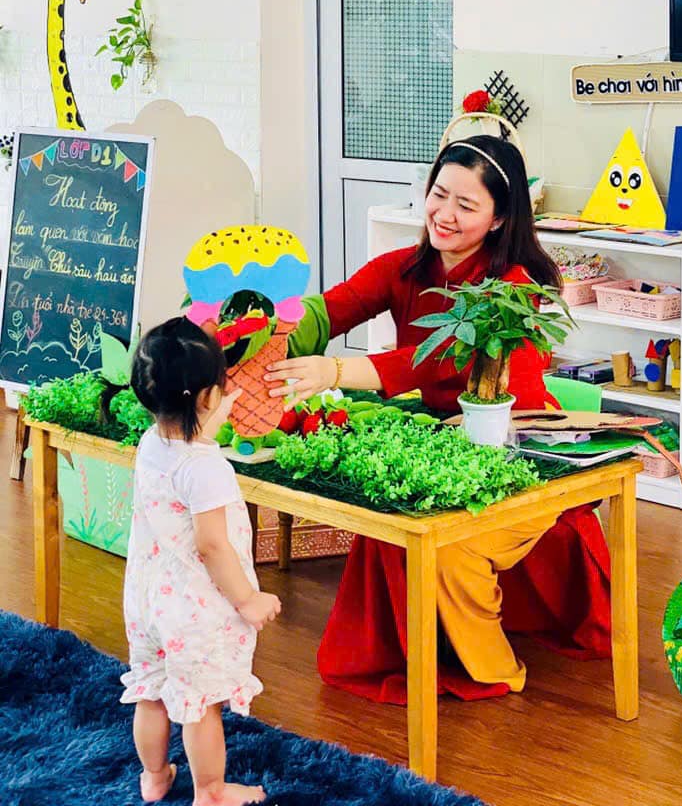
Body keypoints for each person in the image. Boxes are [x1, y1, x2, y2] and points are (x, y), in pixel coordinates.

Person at [267, 135, 611, 702]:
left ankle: (494, 669)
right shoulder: (405, 267)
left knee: (447, 539)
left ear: (499, 219)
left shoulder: (513, 288)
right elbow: (332, 309)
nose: (444, 214)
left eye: (465, 205)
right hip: (445, 439)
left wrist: (335, 371)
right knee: (388, 510)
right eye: (439, 194)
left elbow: (435, 356)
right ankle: (407, 651)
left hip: (519, 446)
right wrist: (257, 329)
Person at [120, 318, 281, 805]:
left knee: (151, 690)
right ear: (208, 395)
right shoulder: (206, 468)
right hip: (194, 609)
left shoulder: (153, 443)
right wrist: (248, 599)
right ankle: (209, 791)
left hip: (148, 600)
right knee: (199, 704)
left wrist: (210, 411)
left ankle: (154, 777)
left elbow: (185, 442)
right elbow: (212, 546)